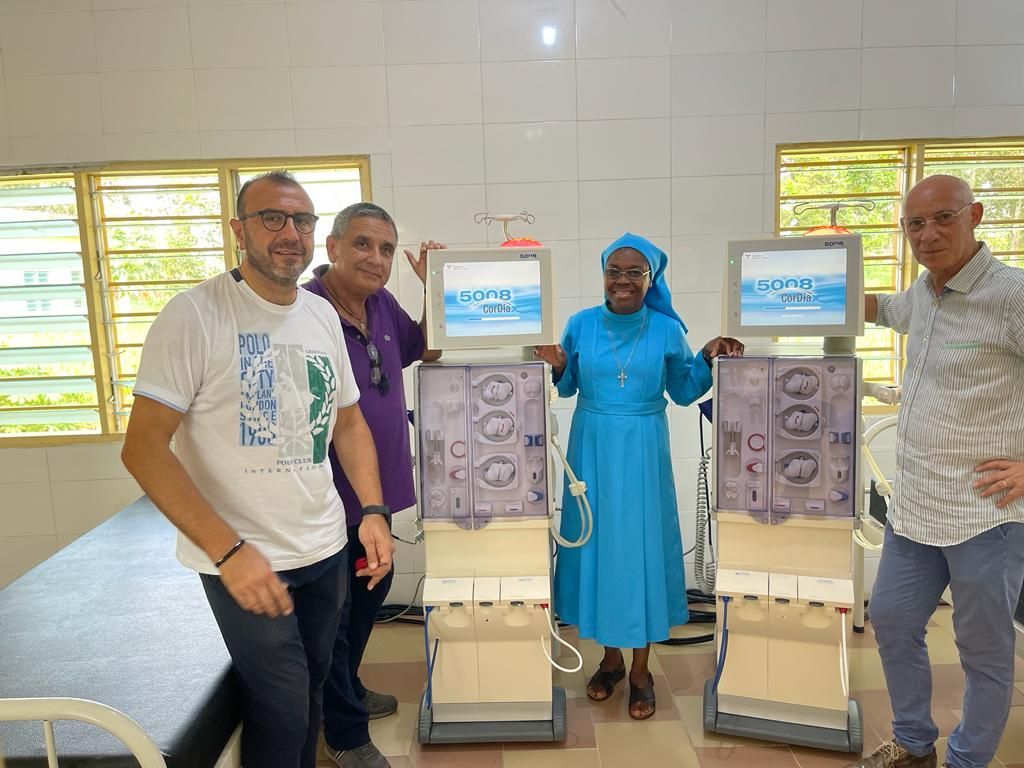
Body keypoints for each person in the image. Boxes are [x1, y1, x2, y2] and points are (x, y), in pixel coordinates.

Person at [121, 172, 395, 768]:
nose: (289, 233)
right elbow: (142, 449)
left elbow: (348, 423)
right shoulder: (194, 316)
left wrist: (372, 510)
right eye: (272, 218)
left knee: (315, 686)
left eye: (301, 221)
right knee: (282, 703)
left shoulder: (320, 315)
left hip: (323, 546)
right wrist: (228, 552)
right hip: (244, 558)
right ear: (239, 229)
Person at [847, 174, 1024, 768]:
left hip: (987, 513)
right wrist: (788, 287)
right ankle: (914, 742)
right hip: (916, 510)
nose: (928, 234)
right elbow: (877, 309)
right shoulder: (921, 293)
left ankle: (967, 760)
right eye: (914, 224)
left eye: (943, 218)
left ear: (975, 215)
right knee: (893, 623)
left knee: (983, 652)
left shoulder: (1012, 296)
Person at [534, 232, 743, 720]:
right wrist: (560, 365)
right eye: (614, 271)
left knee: (641, 551)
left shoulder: (666, 330)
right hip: (592, 448)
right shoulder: (581, 324)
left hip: (644, 448)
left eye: (634, 273)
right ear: (603, 275)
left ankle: (642, 670)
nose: (622, 281)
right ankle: (609, 661)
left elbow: (687, 390)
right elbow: (565, 387)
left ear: (651, 279)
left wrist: (709, 357)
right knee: (600, 549)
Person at [302, 202, 442, 768]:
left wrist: (434, 289)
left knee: (368, 597)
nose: (376, 258)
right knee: (334, 616)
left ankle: (348, 688)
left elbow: (423, 349)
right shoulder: (306, 310)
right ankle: (344, 732)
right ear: (332, 247)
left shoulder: (381, 303)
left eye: (385, 248)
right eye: (362, 244)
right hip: (329, 499)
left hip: (376, 496)